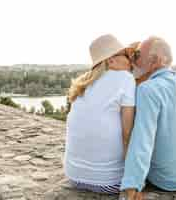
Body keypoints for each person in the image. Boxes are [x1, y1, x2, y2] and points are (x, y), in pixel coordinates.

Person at [119, 36, 176, 200]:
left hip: (169, 180)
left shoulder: (147, 89)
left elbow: (143, 141)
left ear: (154, 61)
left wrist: (132, 185)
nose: (133, 61)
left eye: (137, 55)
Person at [64, 34, 136, 194]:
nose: (131, 61)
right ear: (111, 60)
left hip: (74, 177)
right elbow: (127, 134)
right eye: (127, 55)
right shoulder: (125, 79)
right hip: (109, 182)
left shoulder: (83, 82)